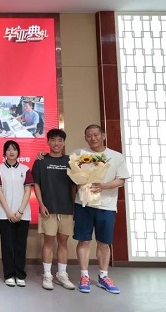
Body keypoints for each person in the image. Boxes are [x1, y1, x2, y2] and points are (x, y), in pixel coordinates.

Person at [73, 124, 129, 294]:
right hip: (84, 204)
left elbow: (121, 180)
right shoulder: (78, 154)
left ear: (103, 136)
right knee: (84, 241)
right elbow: (70, 173)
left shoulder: (116, 156)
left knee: (104, 243)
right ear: (85, 138)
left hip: (107, 205)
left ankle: (104, 276)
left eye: (96, 135)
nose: (93, 138)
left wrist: (103, 186)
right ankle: (84, 276)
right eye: (89, 135)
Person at [32, 128, 76, 291]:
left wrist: (73, 205)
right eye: (53, 140)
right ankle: (47, 275)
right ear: (48, 142)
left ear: (63, 143)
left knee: (63, 241)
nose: (56, 143)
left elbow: (74, 185)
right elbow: (36, 184)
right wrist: (41, 204)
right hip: (48, 208)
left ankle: (62, 274)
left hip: (66, 208)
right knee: (49, 241)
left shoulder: (70, 161)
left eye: (59, 140)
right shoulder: (41, 161)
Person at [0, 140, 34, 287]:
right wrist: (9, 212)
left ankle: (20, 275)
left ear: (18, 152)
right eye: (8, 149)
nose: (11, 152)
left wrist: (20, 211)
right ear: (4, 153)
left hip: (23, 214)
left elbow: (28, 191)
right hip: (5, 214)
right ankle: (9, 274)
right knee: (7, 245)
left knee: (20, 245)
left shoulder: (25, 169)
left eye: (14, 149)